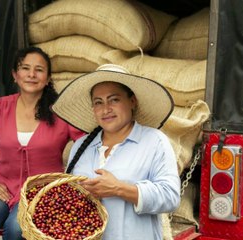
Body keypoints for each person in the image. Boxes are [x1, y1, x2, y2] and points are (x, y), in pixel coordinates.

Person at [0, 46, 84, 240]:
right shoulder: (2, 106)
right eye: (25, 68)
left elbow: (87, 144)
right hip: (4, 188)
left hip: (43, 192)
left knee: (17, 230)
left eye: (39, 69)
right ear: (15, 74)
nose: (31, 74)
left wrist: (72, 184)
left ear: (48, 78)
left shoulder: (60, 111)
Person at [51, 64, 181, 240]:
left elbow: (170, 197)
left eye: (114, 100)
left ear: (132, 101)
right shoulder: (81, 146)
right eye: (98, 102)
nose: (106, 109)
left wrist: (118, 188)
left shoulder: (154, 141)